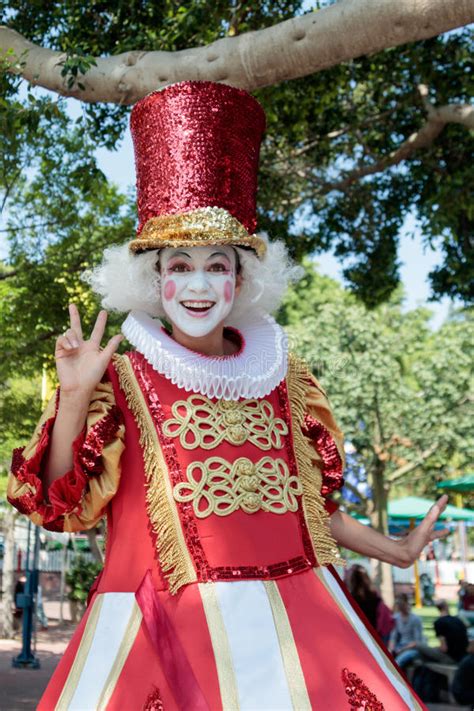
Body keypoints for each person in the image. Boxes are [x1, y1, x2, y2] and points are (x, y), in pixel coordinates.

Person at [7, 81, 450, 710]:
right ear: (152, 280)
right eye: (178, 266)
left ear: (241, 280)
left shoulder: (288, 382)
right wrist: (75, 399)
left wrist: (396, 550)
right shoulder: (119, 379)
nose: (197, 283)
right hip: (159, 638)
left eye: (217, 264)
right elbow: (58, 506)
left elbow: (310, 515)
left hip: (303, 639)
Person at [346, 565, 394, 644]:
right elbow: (386, 624)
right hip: (374, 642)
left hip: (356, 640)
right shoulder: (375, 598)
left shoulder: (348, 600)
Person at [389, 594, 424, 669]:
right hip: (400, 646)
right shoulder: (396, 618)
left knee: (397, 663)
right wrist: (391, 649)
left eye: (402, 604)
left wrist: (402, 649)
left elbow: (417, 642)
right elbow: (393, 637)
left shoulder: (415, 619)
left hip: (412, 649)